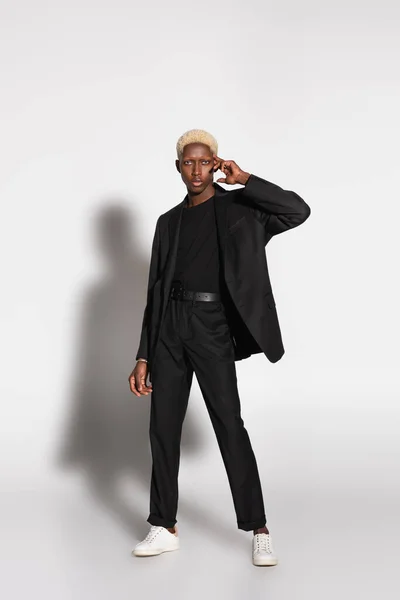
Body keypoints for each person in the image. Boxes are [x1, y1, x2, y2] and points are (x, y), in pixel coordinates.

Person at [128, 129, 311, 566]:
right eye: (187, 163)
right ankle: (164, 524)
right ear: (178, 168)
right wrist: (143, 354)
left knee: (229, 424)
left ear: (215, 164)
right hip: (170, 328)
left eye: (203, 162)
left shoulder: (241, 210)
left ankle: (258, 527)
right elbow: (155, 291)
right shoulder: (167, 222)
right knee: (162, 429)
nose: (196, 170)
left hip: (212, 326)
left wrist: (246, 179)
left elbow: (298, 210)